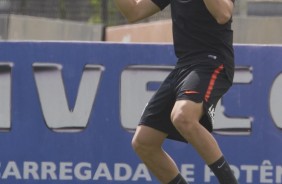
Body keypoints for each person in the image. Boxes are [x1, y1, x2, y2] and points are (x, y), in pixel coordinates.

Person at [114, 0, 238, 183]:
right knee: (144, 142)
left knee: (183, 116)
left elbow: (223, 14)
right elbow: (134, 12)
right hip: (183, 66)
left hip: (212, 62)